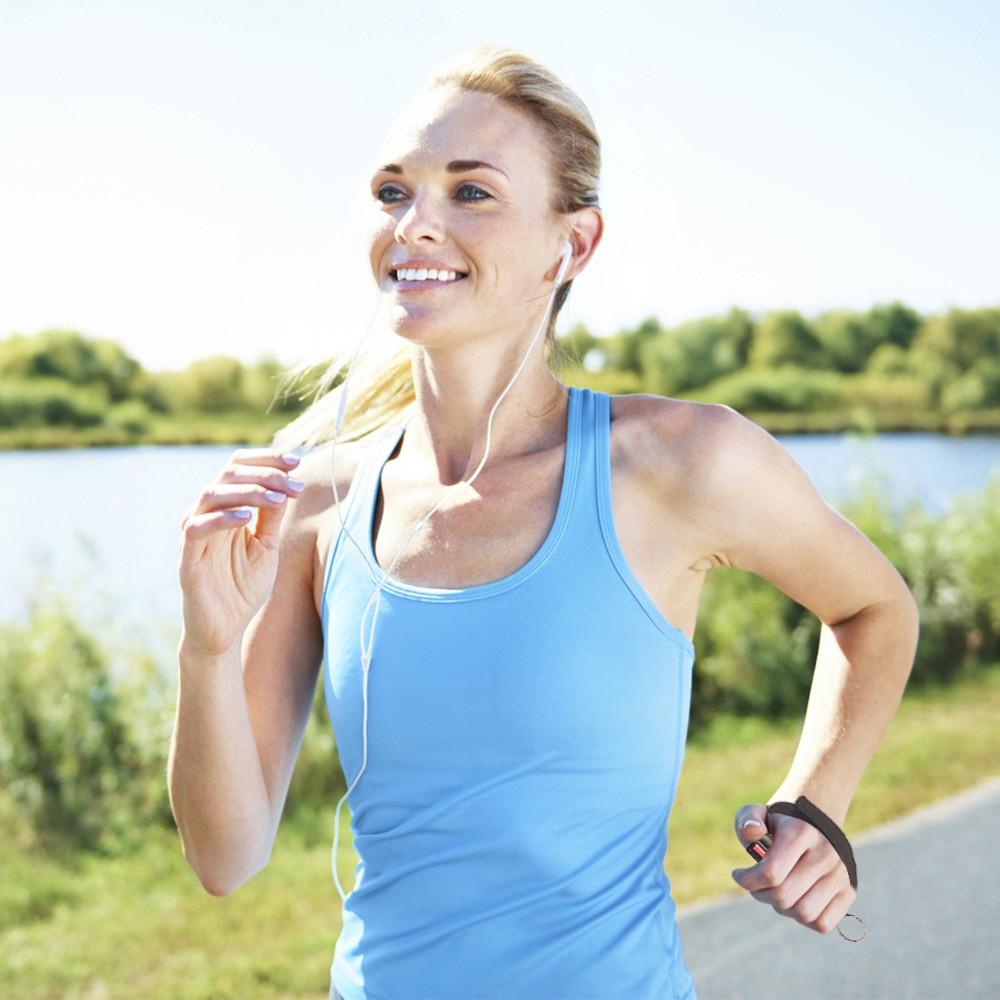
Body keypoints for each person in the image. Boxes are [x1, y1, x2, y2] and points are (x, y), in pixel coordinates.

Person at [168, 44, 919, 1000]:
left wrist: (819, 803)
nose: (416, 224)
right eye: (394, 191)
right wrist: (204, 650)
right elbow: (225, 857)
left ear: (574, 244)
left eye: (470, 193)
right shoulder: (317, 503)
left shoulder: (678, 463)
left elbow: (875, 609)